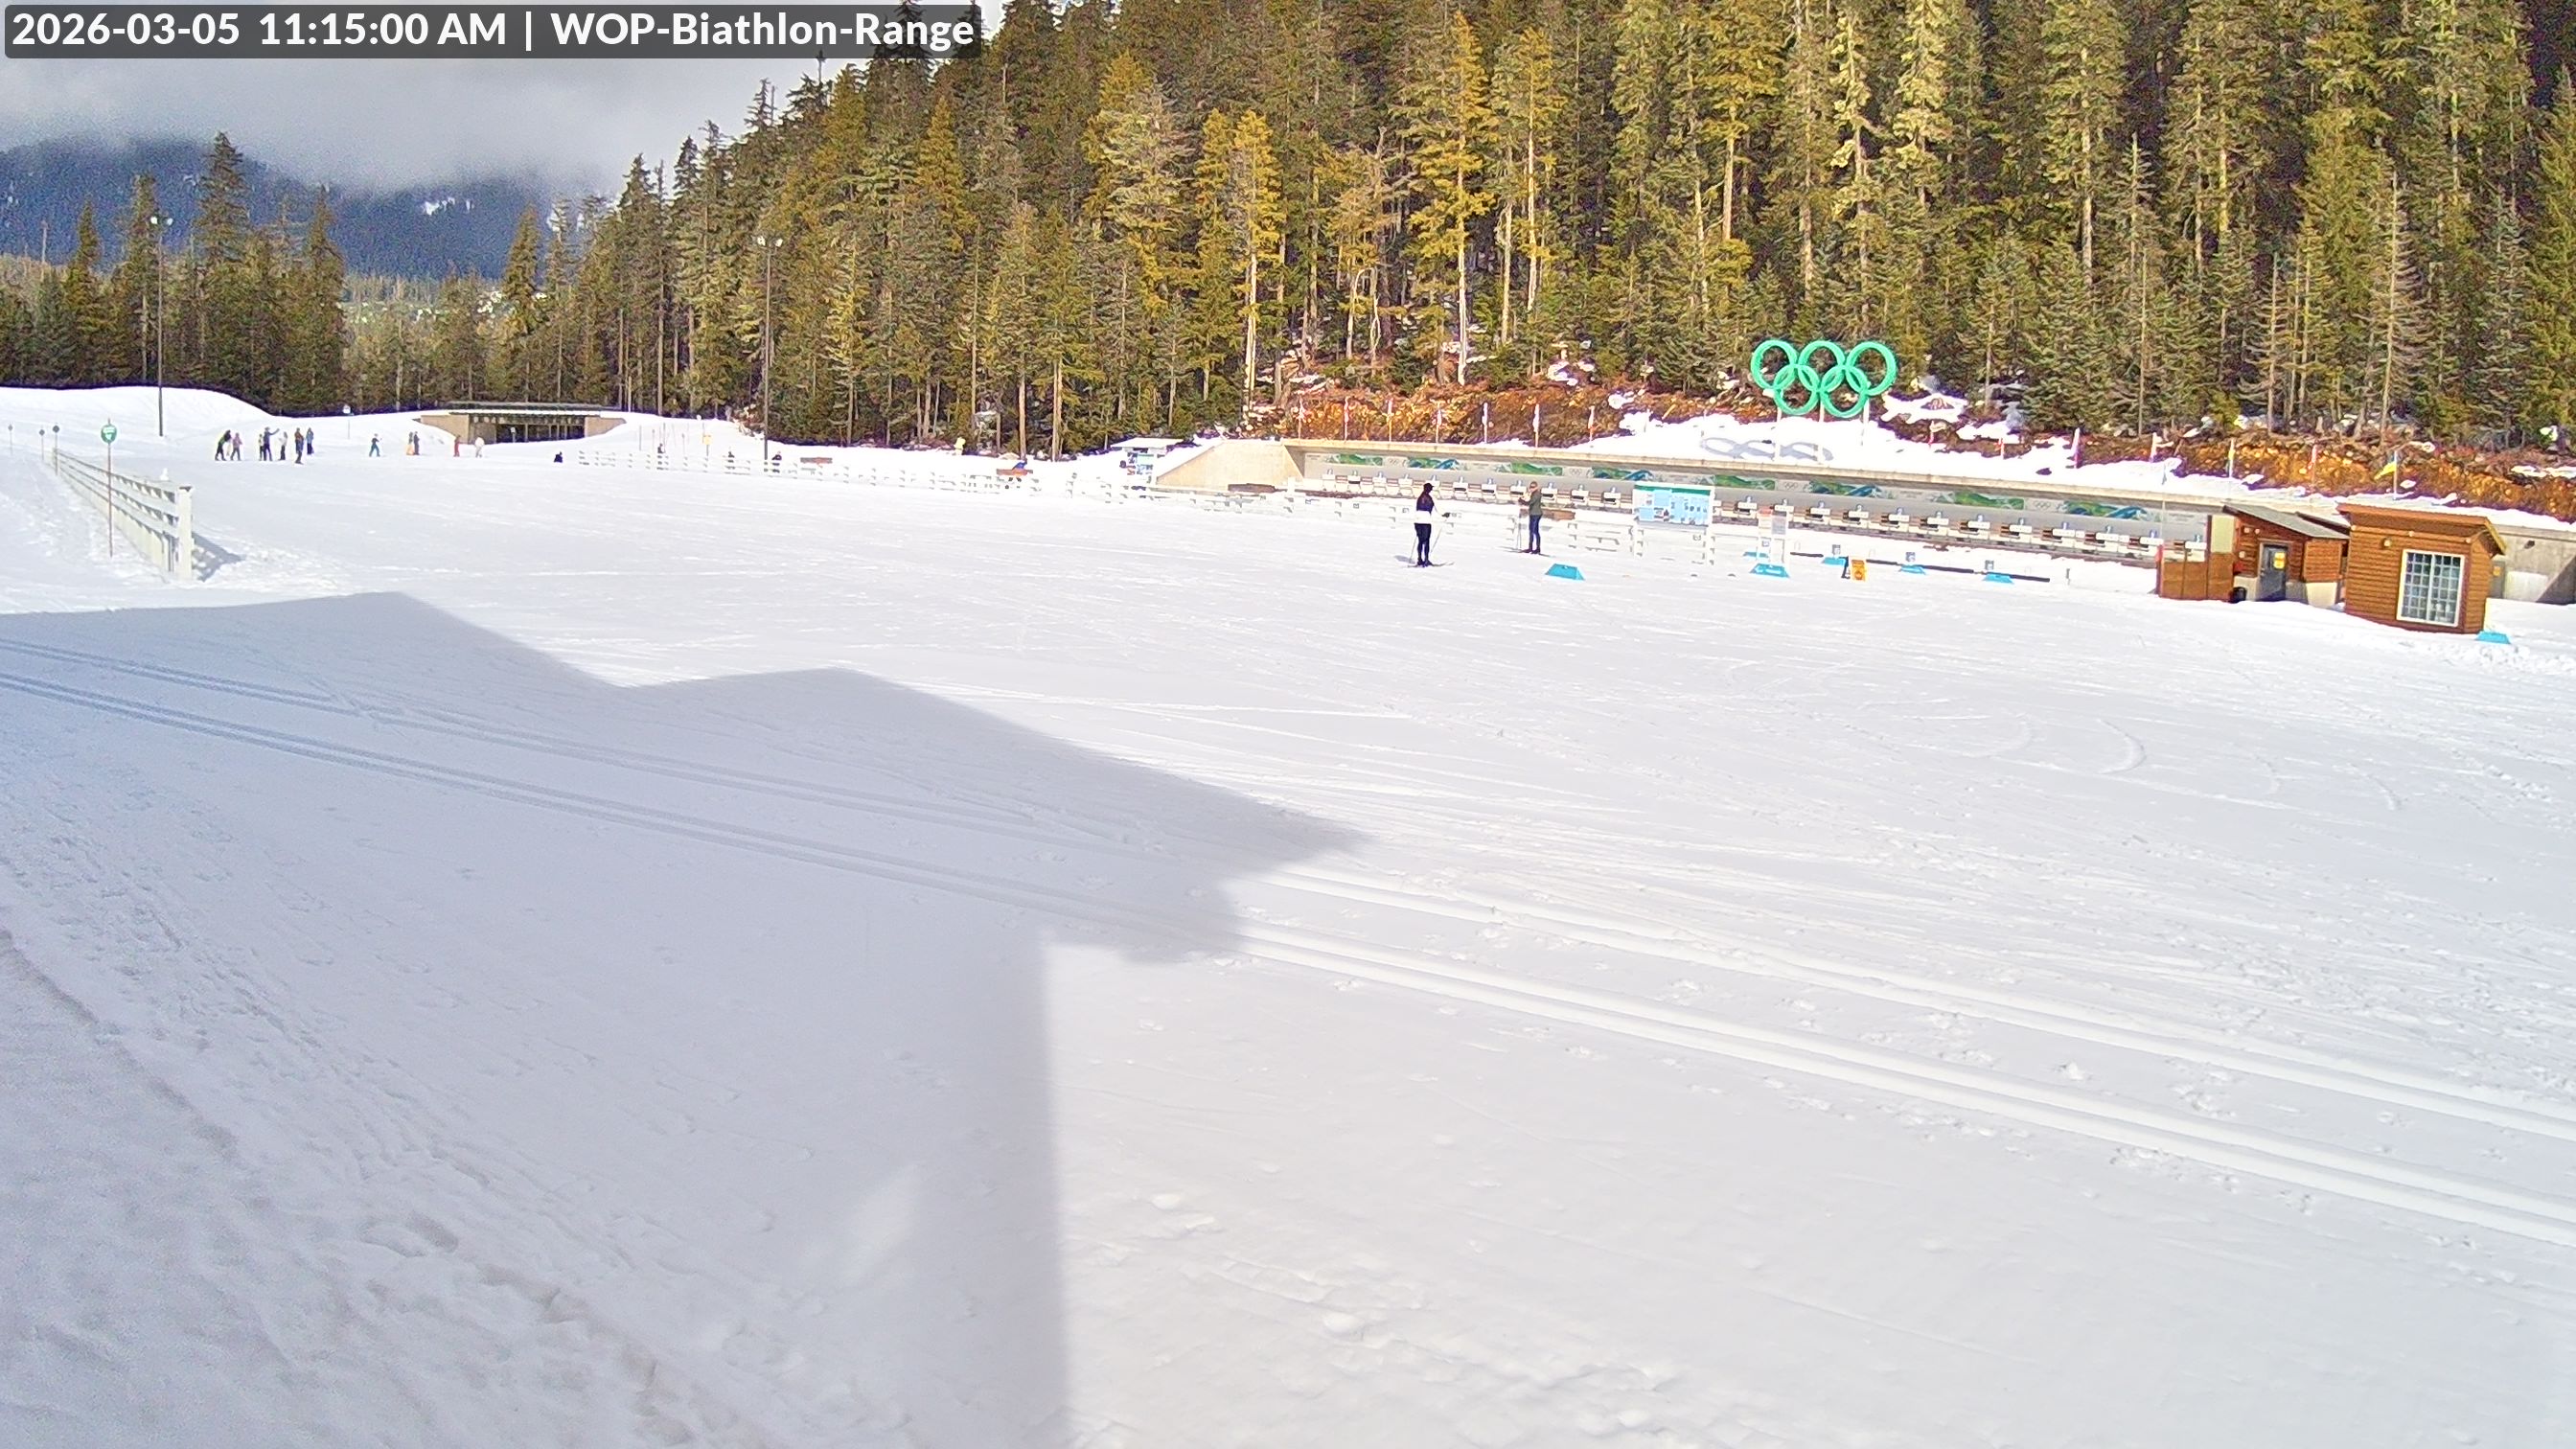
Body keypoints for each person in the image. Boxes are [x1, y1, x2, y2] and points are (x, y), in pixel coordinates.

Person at [1414, 482, 1437, 566]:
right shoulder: (1429, 498)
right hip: (1426, 520)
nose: (1431, 489)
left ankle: (1420, 559)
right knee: (1426, 540)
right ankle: (1426, 559)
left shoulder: (1419, 498)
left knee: (1420, 540)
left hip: (1417, 520)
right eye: (1431, 488)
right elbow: (1434, 508)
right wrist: (1444, 515)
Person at [1525, 484, 1546, 554]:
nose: (1531, 488)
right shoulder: (1533, 494)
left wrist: (1523, 502)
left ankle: (1536, 548)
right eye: (1530, 487)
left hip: (1536, 514)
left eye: (1533, 487)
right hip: (1533, 513)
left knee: (1534, 531)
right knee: (1532, 531)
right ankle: (1531, 547)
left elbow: (1531, 502)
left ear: (1536, 487)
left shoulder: (1537, 494)